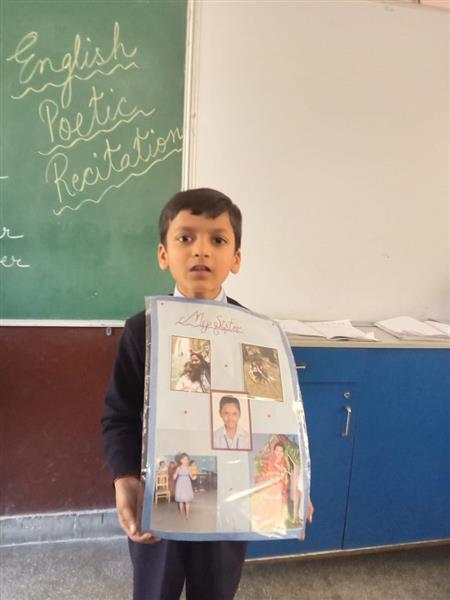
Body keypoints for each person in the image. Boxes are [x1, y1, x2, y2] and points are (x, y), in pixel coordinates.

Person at [102, 188, 313, 599]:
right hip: (160, 497)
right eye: (185, 237)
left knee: (216, 590)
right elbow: (119, 416)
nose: (201, 250)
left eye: (217, 239)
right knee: (154, 590)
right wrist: (124, 479)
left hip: (230, 505)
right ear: (163, 254)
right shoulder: (142, 330)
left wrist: (293, 482)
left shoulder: (259, 335)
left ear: (236, 258)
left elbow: (275, 418)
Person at [251, 442, 289, 534]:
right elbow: (264, 472)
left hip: (278, 487)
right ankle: (258, 520)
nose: (279, 453)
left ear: (283, 452)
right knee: (265, 504)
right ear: (274, 451)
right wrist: (270, 475)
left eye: (281, 451)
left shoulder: (284, 462)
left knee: (277, 506)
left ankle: (276, 524)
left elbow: (284, 475)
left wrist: (281, 475)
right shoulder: (270, 461)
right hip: (269, 487)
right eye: (277, 450)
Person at [174, 453, 196, 518]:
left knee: (187, 500)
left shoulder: (188, 468)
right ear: (180, 460)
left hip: (187, 483)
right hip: (180, 483)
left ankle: (187, 515)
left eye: (187, 459)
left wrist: (194, 478)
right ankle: (181, 512)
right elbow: (175, 475)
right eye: (184, 459)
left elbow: (191, 476)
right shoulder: (179, 468)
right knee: (180, 499)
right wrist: (174, 476)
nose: (185, 460)